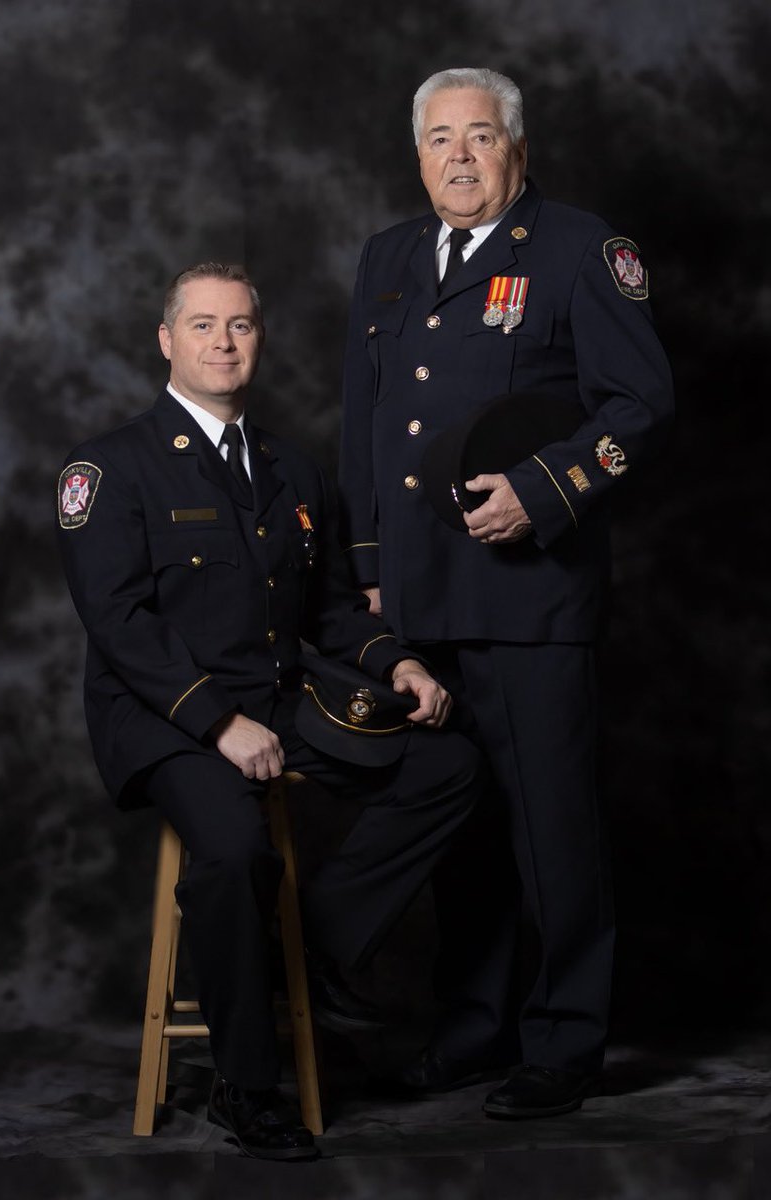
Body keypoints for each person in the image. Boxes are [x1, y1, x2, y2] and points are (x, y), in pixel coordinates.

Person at [56, 262, 481, 1160]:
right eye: (203, 325)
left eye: (241, 325)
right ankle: (246, 1090)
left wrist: (396, 659)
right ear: (167, 341)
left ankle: (319, 951)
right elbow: (120, 624)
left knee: (449, 765)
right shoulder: (110, 467)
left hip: (281, 701)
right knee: (236, 850)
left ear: (260, 340)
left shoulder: (292, 468)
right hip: (167, 716)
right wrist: (214, 723)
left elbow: (327, 608)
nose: (223, 341)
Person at [339, 67, 674, 1118]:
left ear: (515, 149)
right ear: (417, 155)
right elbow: (363, 427)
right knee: (461, 831)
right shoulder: (388, 258)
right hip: (423, 599)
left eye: (478, 135)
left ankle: (564, 1044)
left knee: (552, 831)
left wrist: (546, 489)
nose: (458, 156)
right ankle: (473, 1030)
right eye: (438, 138)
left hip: (530, 599)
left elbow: (641, 402)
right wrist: (370, 574)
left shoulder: (579, 248)